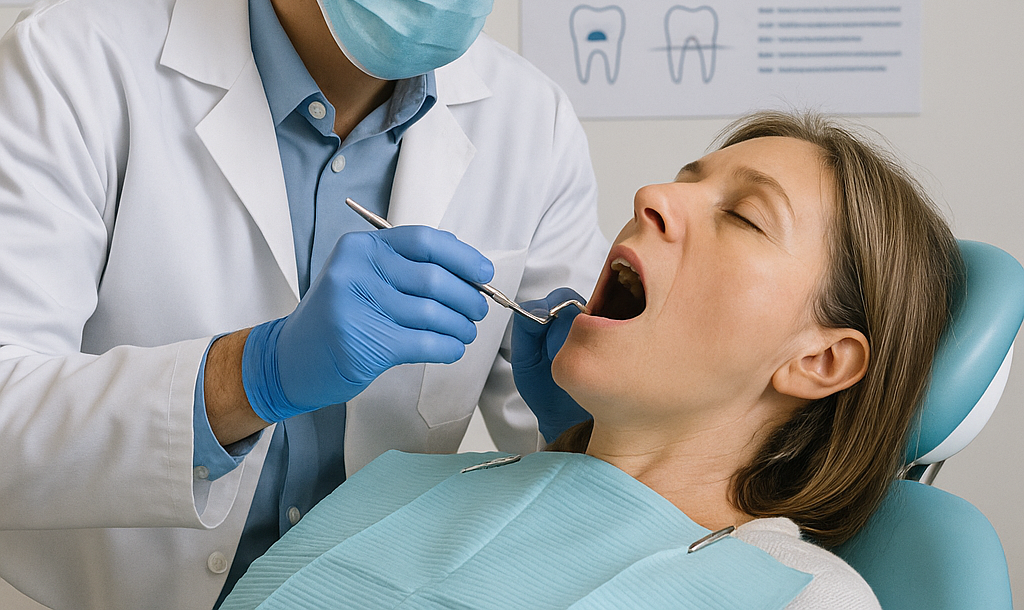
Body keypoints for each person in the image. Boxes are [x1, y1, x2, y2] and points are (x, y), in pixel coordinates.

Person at [0, 0, 607, 610]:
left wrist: (584, 423)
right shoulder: (71, 67)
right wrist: (255, 375)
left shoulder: (528, 125)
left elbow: (565, 479)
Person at [220, 111, 961, 610]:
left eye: (742, 215)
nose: (653, 195)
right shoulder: (403, 482)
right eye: (686, 178)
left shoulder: (797, 598)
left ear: (822, 360)